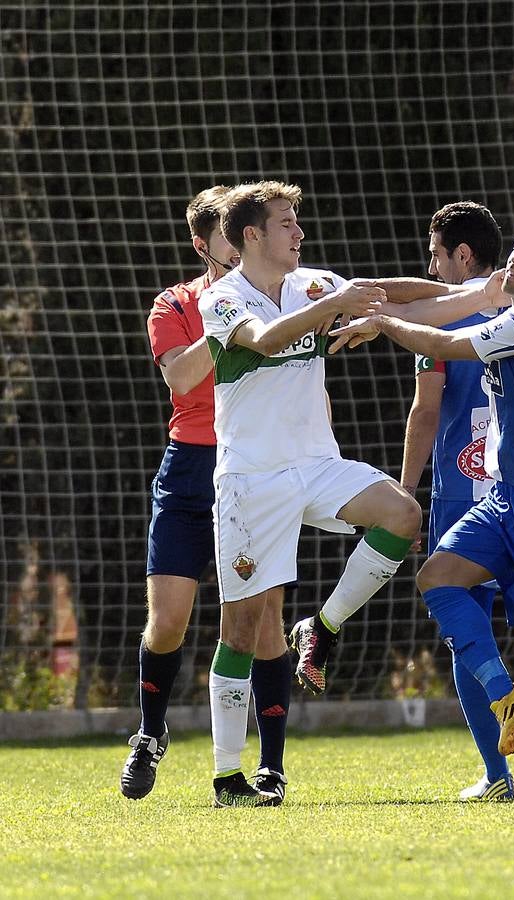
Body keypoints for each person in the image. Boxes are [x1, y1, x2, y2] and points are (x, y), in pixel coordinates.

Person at [333, 212, 514, 801]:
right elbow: (442, 296)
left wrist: (381, 322)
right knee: (438, 577)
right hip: (503, 497)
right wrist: (366, 305)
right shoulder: (510, 303)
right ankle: (506, 695)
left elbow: (442, 339)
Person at [197, 181, 446, 806]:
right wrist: (337, 300)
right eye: (285, 223)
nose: (298, 233)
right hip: (251, 481)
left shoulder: (314, 281)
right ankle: (230, 775)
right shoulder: (222, 298)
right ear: (252, 236)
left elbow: (390, 295)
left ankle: (324, 624)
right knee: (242, 631)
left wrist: (480, 293)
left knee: (402, 513)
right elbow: (265, 338)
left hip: (315, 464)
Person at [124, 187, 295, 801]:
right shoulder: (174, 304)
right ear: (206, 245)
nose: (244, 238)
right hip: (191, 470)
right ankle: (150, 733)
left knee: (262, 619)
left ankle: (270, 767)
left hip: (253, 465)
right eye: (228, 231)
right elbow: (180, 376)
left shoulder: (278, 296)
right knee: (167, 621)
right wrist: (225, 327)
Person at [396, 202, 514, 799]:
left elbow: (425, 408)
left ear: (461, 256)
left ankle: (498, 774)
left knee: (464, 627)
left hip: (465, 490)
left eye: (436, 256)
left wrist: (403, 493)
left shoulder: (447, 322)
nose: (433, 267)